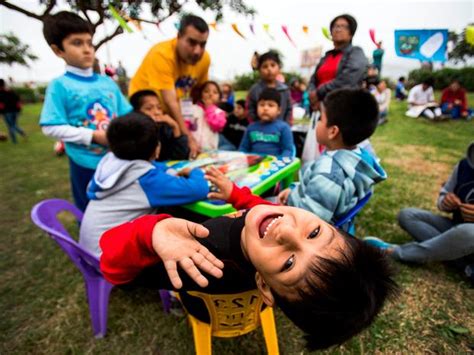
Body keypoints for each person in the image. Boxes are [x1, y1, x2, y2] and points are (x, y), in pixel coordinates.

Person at [99, 169, 398, 350]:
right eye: (316, 232)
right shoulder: (265, 232)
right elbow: (263, 211)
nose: (287, 232)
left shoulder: (198, 257)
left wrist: (150, 232)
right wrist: (238, 196)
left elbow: (113, 270)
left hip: (202, 306)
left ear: (266, 287)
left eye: (289, 264)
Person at [79, 112, 209, 258]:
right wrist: (195, 170)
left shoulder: (112, 162)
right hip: (112, 260)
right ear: (157, 148)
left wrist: (169, 170)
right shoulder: (147, 181)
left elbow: (154, 166)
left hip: (93, 251)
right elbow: (199, 189)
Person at [40, 11, 132, 211]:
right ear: (58, 50)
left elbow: (127, 115)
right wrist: (93, 136)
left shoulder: (108, 83)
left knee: (121, 210)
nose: (87, 50)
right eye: (77, 43)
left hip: (118, 160)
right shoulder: (59, 85)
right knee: (90, 212)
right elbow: (50, 127)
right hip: (85, 164)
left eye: (89, 43)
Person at [364, 143, 474, 282]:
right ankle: (461, 262)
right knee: (407, 215)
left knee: (469, 232)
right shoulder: (464, 166)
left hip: (467, 233)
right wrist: (446, 201)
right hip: (455, 228)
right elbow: (444, 195)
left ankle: (398, 252)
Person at [275, 89, 386, 223]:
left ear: (333, 131)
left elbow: (310, 219)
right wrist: (293, 190)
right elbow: (315, 188)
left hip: (304, 229)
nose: (317, 123)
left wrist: (290, 199)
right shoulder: (357, 157)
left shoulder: (329, 174)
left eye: (321, 118)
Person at [129, 15, 211, 158]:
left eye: (202, 44)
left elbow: (198, 91)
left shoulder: (204, 59)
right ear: (179, 36)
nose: (197, 51)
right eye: (191, 42)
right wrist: (189, 137)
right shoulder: (162, 54)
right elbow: (170, 102)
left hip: (174, 117)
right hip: (147, 115)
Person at [308, 14, 368, 110]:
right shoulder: (326, 56)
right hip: (320, 108)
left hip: (344, 108)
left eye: (343, 26)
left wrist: (319, 93)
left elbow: (348, 80)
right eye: (335, 26)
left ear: (351, 33)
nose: (338, 29)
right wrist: (312, 94)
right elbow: (313, 79)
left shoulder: (355, 53)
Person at [130, 90, 189, 161]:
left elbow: (180, 156)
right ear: (136, 112)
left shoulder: (164, 128)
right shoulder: (134, 134)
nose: (157, 112)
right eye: (149, 108)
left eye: (159, 108)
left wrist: (175, 127)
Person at [240, 88, 294, 157]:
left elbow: (288, 150)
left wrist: (279, 162)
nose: (265, 108)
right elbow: (243, 148)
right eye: (262, 105)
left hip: (275, 165)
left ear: (279, 110)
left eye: (270, 105)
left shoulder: (284, 128)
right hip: (254, 165)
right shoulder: (251, 127)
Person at [246, 51, 292, 124]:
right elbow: (250, 111)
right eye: (265, 66)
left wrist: (285, 127)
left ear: (279, 67)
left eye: (273, 65)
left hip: (281, 131)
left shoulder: (285, 90)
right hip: (260, 132)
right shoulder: (254, 90)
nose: (269, 69)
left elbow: (289, 111)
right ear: (259, 70)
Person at [188, 81, 226, 151]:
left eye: (215, 92)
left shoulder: (219, 112)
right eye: (206, 91)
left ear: (219, 97)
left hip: (210, 149)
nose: (210, 94)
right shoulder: (192, 108)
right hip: (192, 147)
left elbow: (217, 126)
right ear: (200, 94)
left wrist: (209, 108)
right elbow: (186, 125)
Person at [0, 79, 26, 144]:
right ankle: (21, 132)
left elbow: (1, 105)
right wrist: (19, 109)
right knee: (13, 125)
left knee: (11, 126)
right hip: (15, 111)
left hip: (7, 112)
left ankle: (14, 141)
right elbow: (18, 100)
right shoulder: (11, 91)